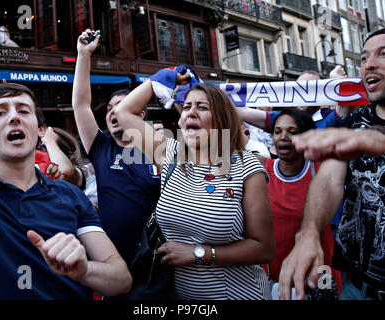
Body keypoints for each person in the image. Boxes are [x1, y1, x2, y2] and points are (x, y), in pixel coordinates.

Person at [0, 82, 131, 299]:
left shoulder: (71, 196)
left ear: (40, 130)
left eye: (24, 110)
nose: (14, 118)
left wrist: (85, 270)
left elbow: (121, 279)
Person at [113, 62, 275, 299]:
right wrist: (164, 78)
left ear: (221, 118)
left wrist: (199, 253)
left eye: (202, 107)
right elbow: (124, 112)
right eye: (187, 106)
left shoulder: (246, 166)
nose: (191, 112)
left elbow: (264, 248)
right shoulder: (170, 154)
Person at [278, 27, 385, 300]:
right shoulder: (353, 124)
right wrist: (309, 233)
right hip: (358, 286)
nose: (370, 63)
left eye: (384, 53)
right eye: (364, 57)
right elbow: (330, 179)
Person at [72, 30, 161, 268]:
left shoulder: (159, 149)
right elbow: (81, 105)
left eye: (121, 107)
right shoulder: (101, 147)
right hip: (110, 259)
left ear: (139, 115)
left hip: (153, 261)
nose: (112, 112)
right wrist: (83, 55)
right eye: (109, 108)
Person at [259, 109, 342, 298]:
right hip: (272, 277)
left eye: (292, 132)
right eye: (277, 131)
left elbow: (343, 113)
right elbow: (218, 151)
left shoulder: (323, 169)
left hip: (318, 275)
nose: (283, 137)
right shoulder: (261, 168)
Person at [41, 126, 98, 210]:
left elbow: (65, 173)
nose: (40, 151)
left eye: (44, 146)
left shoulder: (87, 171)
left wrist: (50, 141)